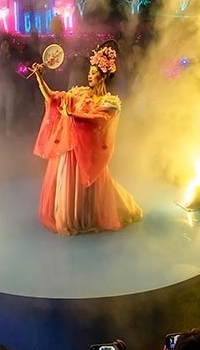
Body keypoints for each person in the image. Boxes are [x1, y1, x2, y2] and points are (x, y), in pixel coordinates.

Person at [31, 45, 142, 235]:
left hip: (86, 153)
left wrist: (72, 116)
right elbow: (54, 99)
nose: (89, 75)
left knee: (89, 187)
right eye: (89, 72)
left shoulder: (110, 103)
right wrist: (40, 78)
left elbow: (97, 120)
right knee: (69, 188)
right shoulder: (79, 94)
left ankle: (87, 216)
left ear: (103, 75)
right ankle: (74, 217)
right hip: (70, 151)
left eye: (93, 72)